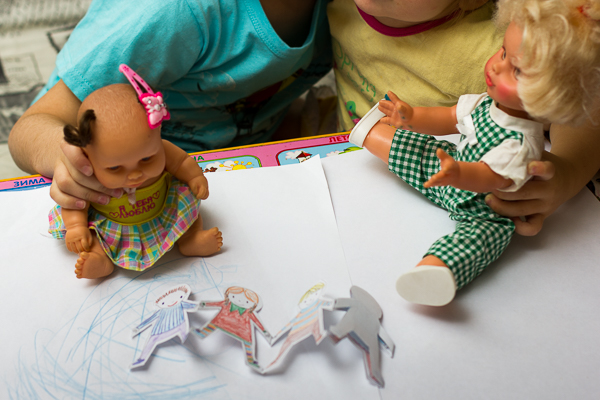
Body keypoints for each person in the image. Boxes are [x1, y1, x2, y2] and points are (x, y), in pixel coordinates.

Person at [347, 0, 600, 306]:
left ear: (553, 95)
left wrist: (458, 173)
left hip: (485, 205)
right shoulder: (483, 103)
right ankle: (371, 134)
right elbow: (447, 117)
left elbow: (491, 177)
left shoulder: (519, 143)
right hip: (449, 166)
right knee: (420, 151)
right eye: (503, 53)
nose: (496, 66)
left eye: (516, 70)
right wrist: (411, 116)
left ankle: (436, 270)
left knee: (483, 238)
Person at [8, 0, 332, 210]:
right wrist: (71, 163)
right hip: (126, 183)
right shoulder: (169, 13)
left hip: (238, 169)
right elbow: (32, 127)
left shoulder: (349, 14)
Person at [48, 65, 223, 279]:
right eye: (115, 168)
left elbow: (182, 162)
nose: (134, 175)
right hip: (114, 225)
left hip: (163, 210)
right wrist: (76, 227)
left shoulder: (163, 149)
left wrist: (195, 177)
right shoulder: (87, 171)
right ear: (85, 155)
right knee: (93, 235)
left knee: (188, 210)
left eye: (147, 159)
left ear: (158, 135)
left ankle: (191, 239)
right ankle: (99, 259)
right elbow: (75, 202)